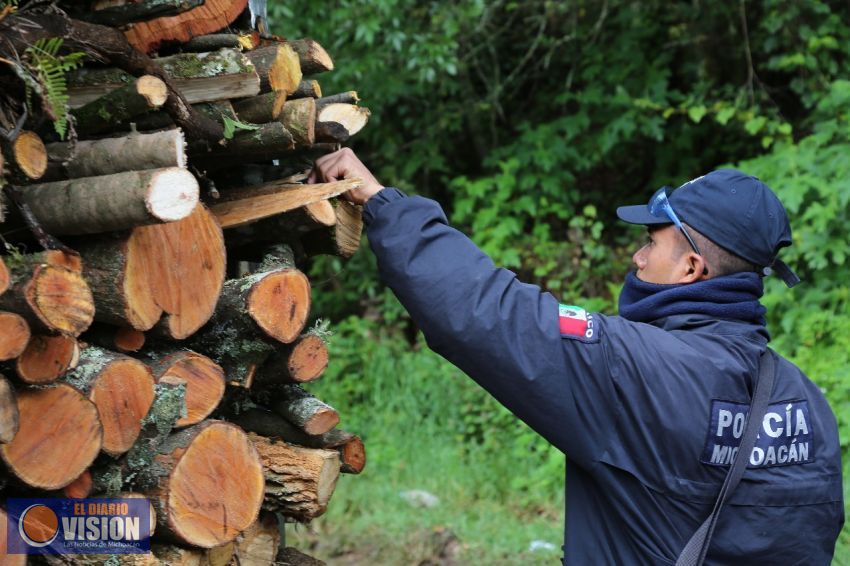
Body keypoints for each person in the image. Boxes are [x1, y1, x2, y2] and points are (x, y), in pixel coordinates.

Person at [309, 149, 844, 564]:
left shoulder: (638, 369)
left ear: (691, 269)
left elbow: (487, 310)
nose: (637, 256)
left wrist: (385, 203)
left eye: (651, 242)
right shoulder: (807, 405)